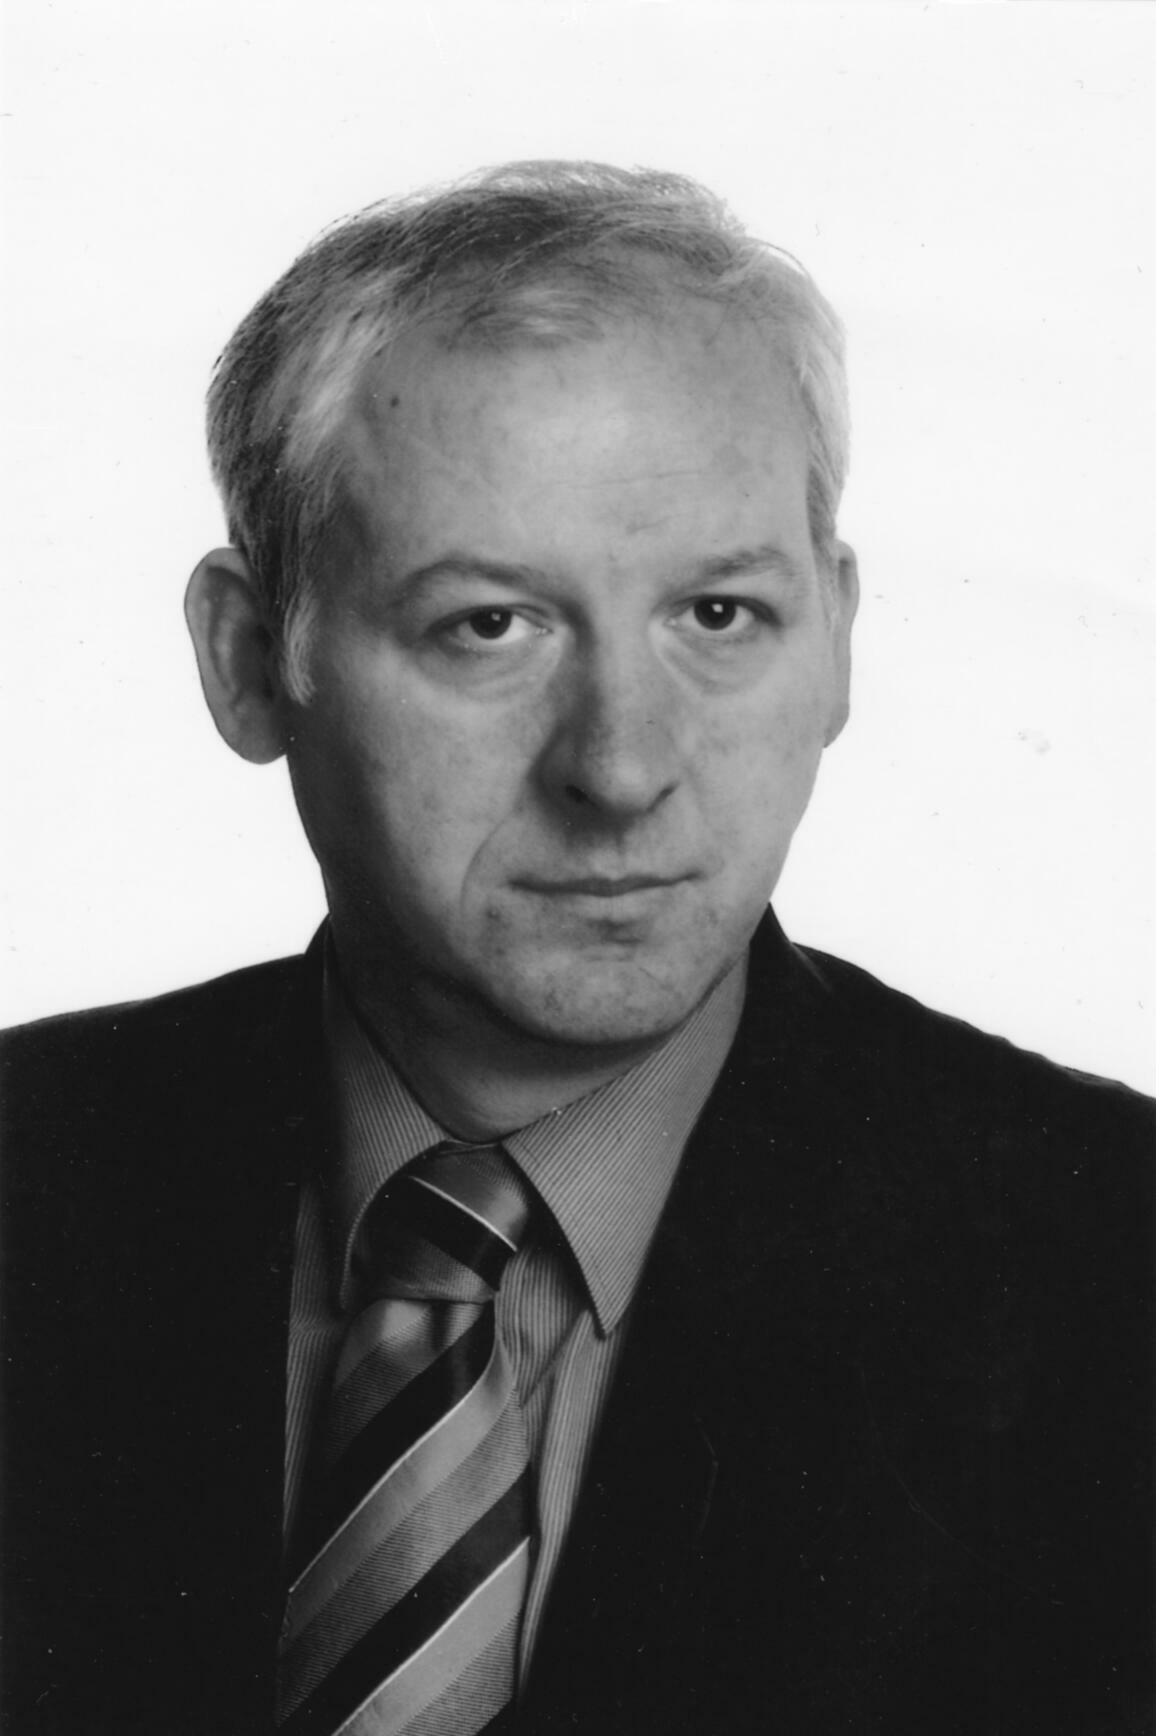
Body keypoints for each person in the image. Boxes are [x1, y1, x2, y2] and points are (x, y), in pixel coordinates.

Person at [1, 161, 1152, 1736]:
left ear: (837, 637)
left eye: (719, 616)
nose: (620, 767)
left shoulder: (1113, 1271)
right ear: (250, 659)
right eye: (490, 625)